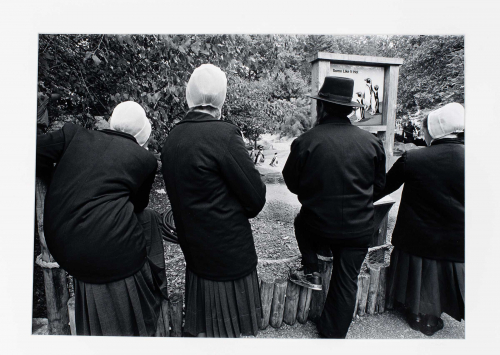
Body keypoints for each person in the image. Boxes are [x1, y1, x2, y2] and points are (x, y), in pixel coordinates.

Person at [36, 101, 167, 336]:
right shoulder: (144, 160)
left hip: (65, 248)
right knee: (148, 220)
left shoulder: (74, 135)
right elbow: (139, 204)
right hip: (113, 252)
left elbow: (32, 149)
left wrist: (57, 177)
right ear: (142, 133)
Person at [161, 64, 266, 338]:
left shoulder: (173, 137)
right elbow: (256, 199)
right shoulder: (225, 135)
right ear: (221, 97)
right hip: (228, 255)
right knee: (228, 335)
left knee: (208, 331)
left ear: (189, 96)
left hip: (195, 251)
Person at [283, 76, 386, 339]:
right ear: (349, 110)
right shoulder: (372, 143)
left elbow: (292, 183)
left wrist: (316, 195)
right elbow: (378, 186)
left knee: (300, 222)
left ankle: (311, 269)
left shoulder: (306, 141)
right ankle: (333, 334)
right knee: (346, 281)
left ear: (322, 107)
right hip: (360, 228)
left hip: (318, 226)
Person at [376, 103, 465, 336]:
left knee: (419, 269)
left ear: (435, 130)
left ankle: (415, 311)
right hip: (457, 242)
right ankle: (432, 315)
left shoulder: (413, 158)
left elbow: (382, 188)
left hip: (416, 238)